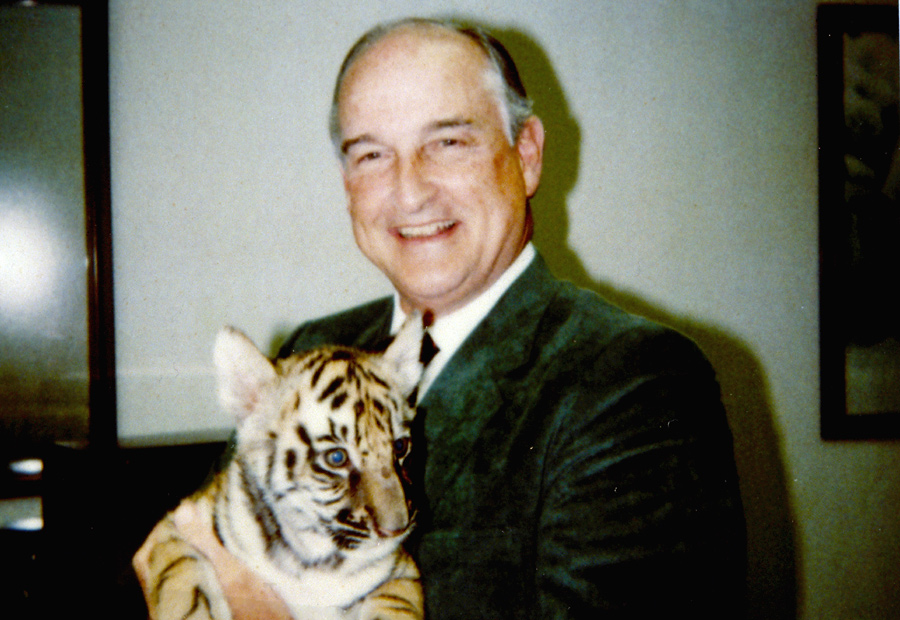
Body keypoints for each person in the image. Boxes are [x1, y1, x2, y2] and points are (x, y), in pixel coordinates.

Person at [139, 17, 746, 619]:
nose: (409, 192)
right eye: (372, 155)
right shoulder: (313, 349)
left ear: (527, 156)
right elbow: (198, 546)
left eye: (448, 142)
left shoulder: (635, 382)